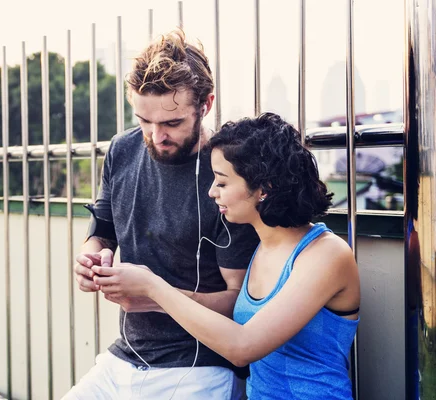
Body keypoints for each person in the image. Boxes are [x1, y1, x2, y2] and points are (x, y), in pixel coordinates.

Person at [92, 113, 361, 399]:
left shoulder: (326, 255)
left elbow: (242, 348)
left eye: (221, 183)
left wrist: (152, 286)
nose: (211, 192)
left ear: (264, 189)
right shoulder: (261, 247)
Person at [66, 30, 259, 400]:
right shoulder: (122, 149)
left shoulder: (228, 177)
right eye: (144, 121)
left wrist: (154, 294)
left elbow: (241, 303)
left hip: (201, 366)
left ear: (205, 105)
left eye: (171, 124)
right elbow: (102, 229)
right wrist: (92, 254)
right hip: (123, 357)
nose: (156, 136)